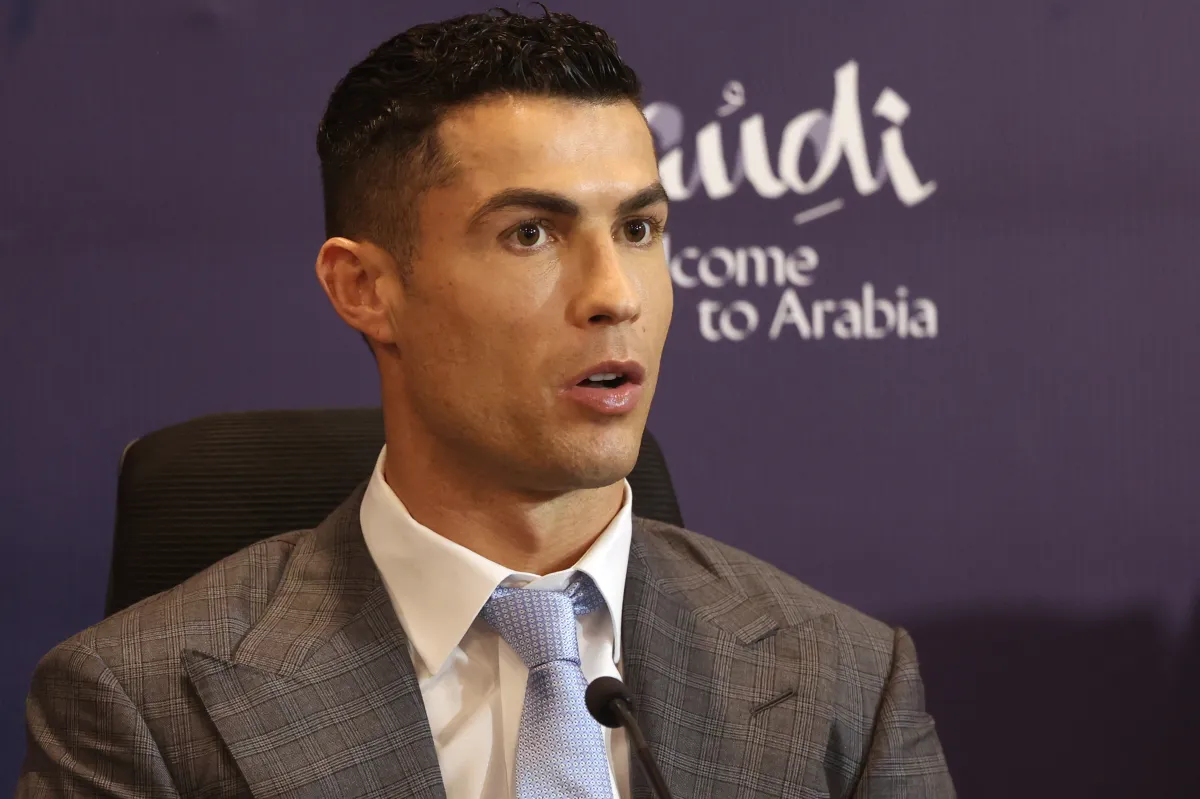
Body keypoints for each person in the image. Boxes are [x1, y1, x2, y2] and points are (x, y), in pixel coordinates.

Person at [18, 9, 954, 798]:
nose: (614, 293)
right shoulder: (134, 708)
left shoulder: (846, 682)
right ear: (365, 290)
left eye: (638, 228)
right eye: (531, 232)